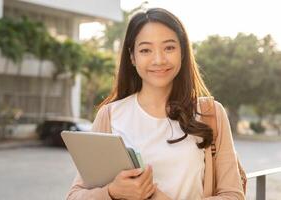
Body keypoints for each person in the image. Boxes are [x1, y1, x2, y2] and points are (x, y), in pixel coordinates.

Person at [66, 8, 245, 200]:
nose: (159, 60)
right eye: (145, 50)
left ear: (182, 51)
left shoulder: (210, 113)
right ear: (132, 57)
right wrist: (112, 192)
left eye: (169, 48)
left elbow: (233, 195)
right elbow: (74, 196)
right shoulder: (110, 115)